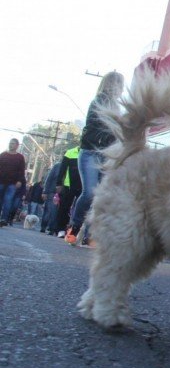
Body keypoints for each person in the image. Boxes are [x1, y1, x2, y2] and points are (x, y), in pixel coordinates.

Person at [64, 72, 125, 245]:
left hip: (107, 155)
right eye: (120, 84)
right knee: (90, 192)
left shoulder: (117, 107)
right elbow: (102, 127)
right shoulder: (99, 101)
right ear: (112, 84)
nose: (122, 89)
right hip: (91, 152)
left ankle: (90, 233)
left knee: (102, 195)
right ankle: (75, 227)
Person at [54, 146, 82, 238]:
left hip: (83, 186)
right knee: (64, 207)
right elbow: (62, 169)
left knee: (81, 208)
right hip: (68, 185)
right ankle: (61, 229)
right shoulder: (70, 152)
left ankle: (76, 231)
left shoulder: (90, 154)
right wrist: (58, 183)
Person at [0, 138, 26, 227]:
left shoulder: (20, 157)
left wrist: (19, 181)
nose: (11, 145)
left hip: (12, 184)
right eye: (10, 143)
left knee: (8, 201)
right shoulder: (3, 155)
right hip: (1, 181)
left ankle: (3, 219)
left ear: (17, 146)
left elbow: (22, 170)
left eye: (13, 143)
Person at [41, 162, 61, 233]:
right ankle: (45, 227)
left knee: (56, 212)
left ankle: (52, 228)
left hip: (63, 193)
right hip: (52, 192)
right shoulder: (57, 166)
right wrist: (45, 192)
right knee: (50, 211)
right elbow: (49, 179)